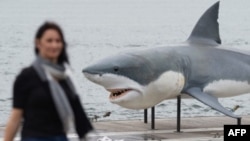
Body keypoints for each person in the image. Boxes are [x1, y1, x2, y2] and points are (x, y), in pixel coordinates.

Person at [4, 21, 93, 141]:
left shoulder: (65, 78)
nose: (54, 45)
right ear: (38, 43)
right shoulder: (26, 76)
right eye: (49, 40)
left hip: (60, 138)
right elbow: (15, 118)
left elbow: (79, 116)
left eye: (58, 41)